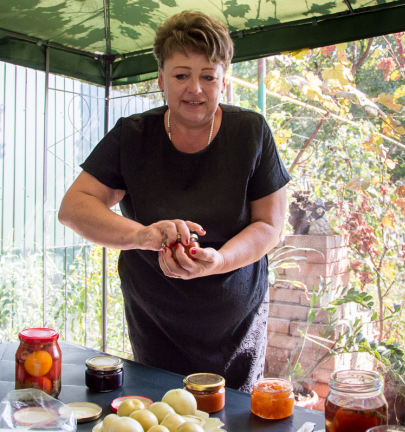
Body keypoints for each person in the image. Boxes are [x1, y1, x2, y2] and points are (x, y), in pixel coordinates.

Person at [58, 10, 290, 392]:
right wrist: (144, 235)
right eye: (182, 75)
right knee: (160, 408)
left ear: (224, 80)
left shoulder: (252, 132)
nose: (195, 88)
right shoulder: (132, 136)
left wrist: (219, 261)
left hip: (236, 327)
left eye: (208, 76)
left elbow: (270, 225)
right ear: (161, 79)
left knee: (234, 413)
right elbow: (75, 207)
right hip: (156, 323)